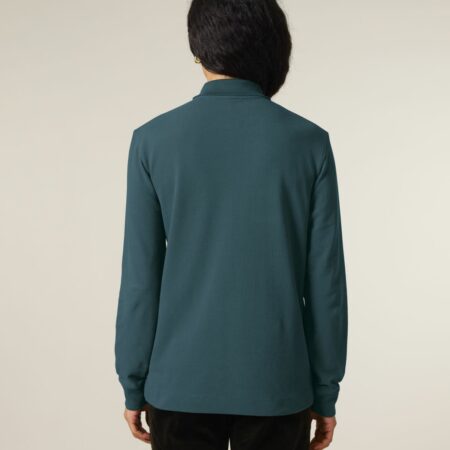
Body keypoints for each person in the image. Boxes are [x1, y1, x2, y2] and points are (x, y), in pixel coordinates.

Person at [114, 1, 348, 449]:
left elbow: (141, 279)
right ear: (274, 47)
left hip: (179, 384)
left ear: (198, 50)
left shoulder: (152, 141)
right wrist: (325, 392)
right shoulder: (309, 143)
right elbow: (325, 285)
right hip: (278, 384)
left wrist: (133, 382)